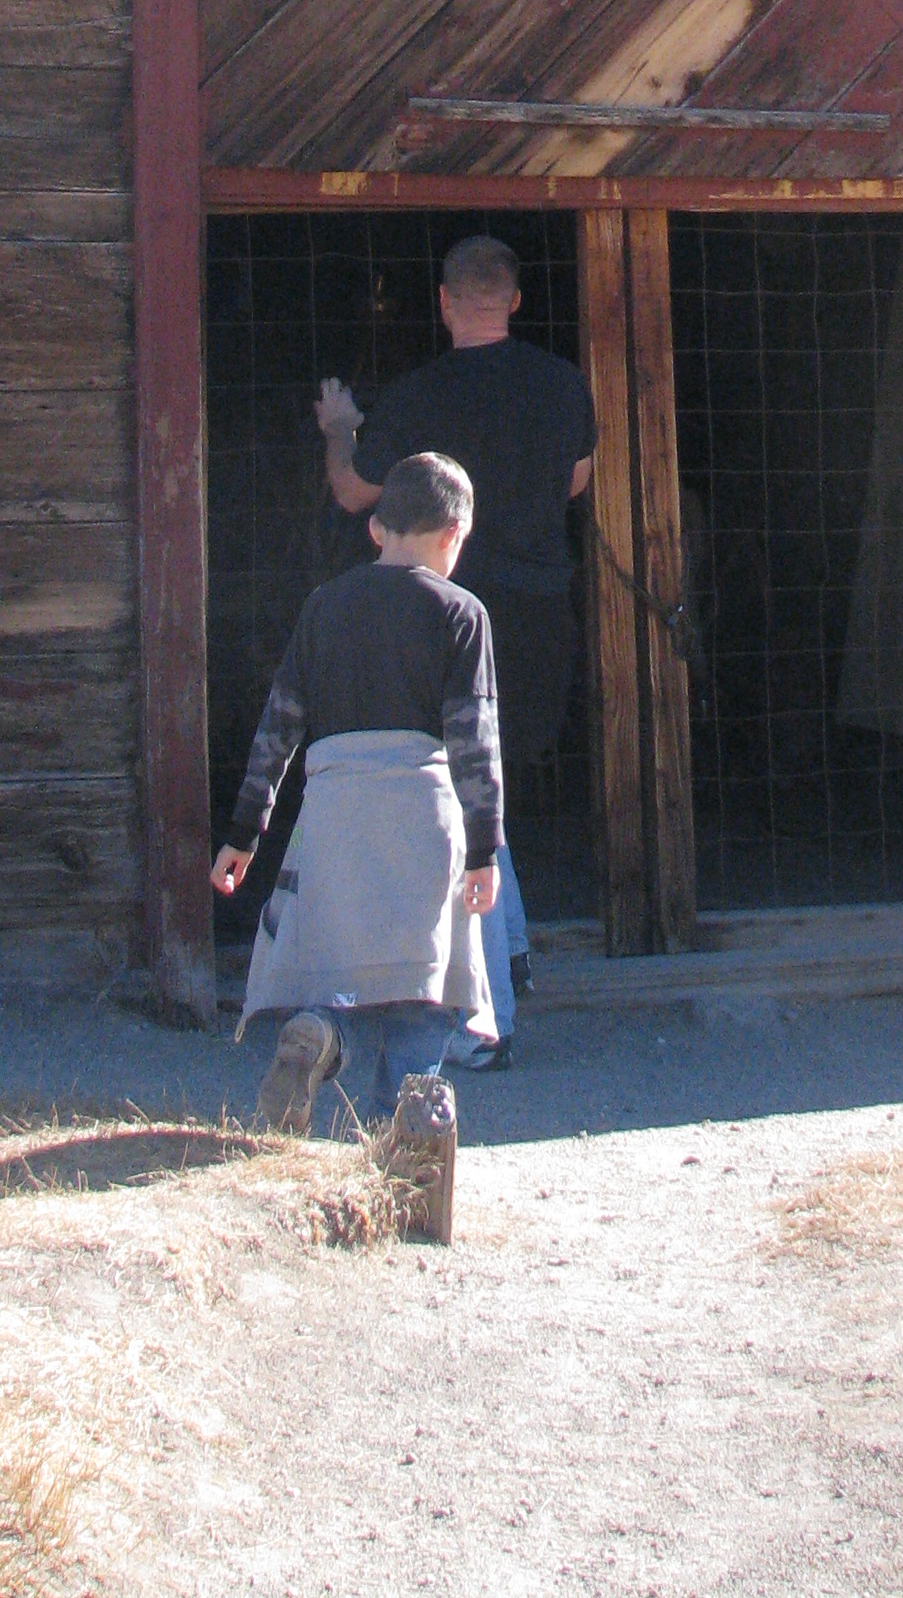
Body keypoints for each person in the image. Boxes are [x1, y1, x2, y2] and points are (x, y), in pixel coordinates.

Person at [316, 232, 595, 1061]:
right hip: (540, 616)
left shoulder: (416, 395)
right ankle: (511, 949)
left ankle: (484, 1023)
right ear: (515, 301)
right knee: (488, 789)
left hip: (449, 619)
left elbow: (353, 490)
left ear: (443, 304)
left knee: (456, 803)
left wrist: (340, 426)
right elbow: (576, 481)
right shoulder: (563, 385)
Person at [212, 450, 502, 1237]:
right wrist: (485, 848)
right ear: (455, 533)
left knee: (341, 971)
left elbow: (279, 725)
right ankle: (394, 1157)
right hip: (422, 811)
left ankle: (323, 1033)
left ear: (376, 528)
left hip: (334, 809)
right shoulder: (461, 613)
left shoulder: (324, 606)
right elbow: (474, 742)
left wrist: (243, 833)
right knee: (428, 995)